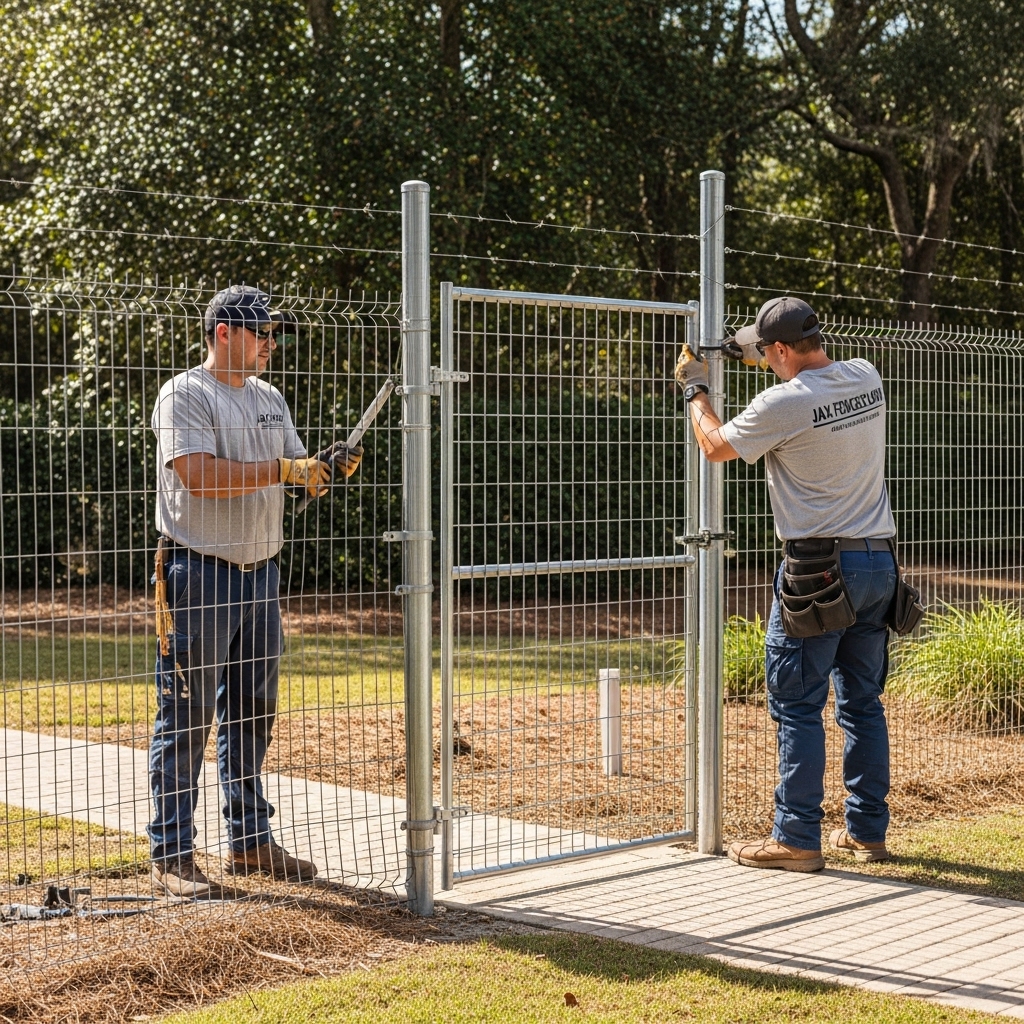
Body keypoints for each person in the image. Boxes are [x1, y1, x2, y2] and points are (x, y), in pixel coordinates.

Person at [148, 285, 362, 896]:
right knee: (186, 715)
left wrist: (323, 468)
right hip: (199, 571)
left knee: (252, 713)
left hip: (261, 574)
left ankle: (249, 842)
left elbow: (299, 477)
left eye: (272, 333)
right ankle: (172, 855)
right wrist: (280, 470)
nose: (270, 343)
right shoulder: (185, 394)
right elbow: (195, 475)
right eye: (259, 332)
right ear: (223, 333)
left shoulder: (269, 398)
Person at [675, 296, 898, 872]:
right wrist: (754, 350)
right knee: (862, 702)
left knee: (797, 704)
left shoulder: (784, 403)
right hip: (878, 563)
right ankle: (867, 831)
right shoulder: (863, 375)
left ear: (778, 351)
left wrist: (695, 388)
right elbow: (796, 362)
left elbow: (716, 445)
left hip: (817, 572)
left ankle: (797, 838)